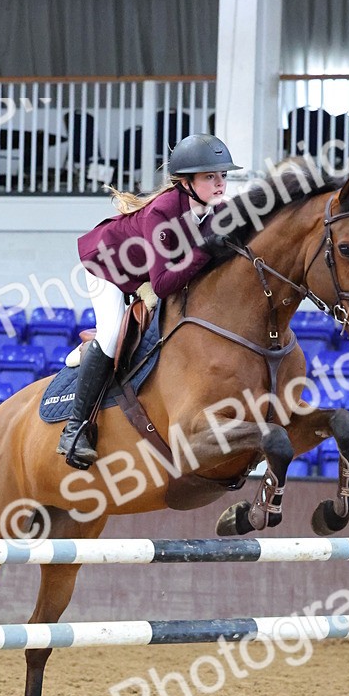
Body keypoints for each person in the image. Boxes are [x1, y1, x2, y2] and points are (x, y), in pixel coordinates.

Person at [57, 133, 241, 469]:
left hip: (145, 273)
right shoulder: (162, 212)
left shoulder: (217, 210)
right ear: (185, 182)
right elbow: (163, 283)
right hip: (108, 266)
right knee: (111, 334)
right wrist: (205, 250)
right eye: (210, 177)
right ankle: (75, 430)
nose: (220, 184)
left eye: (223, 176)